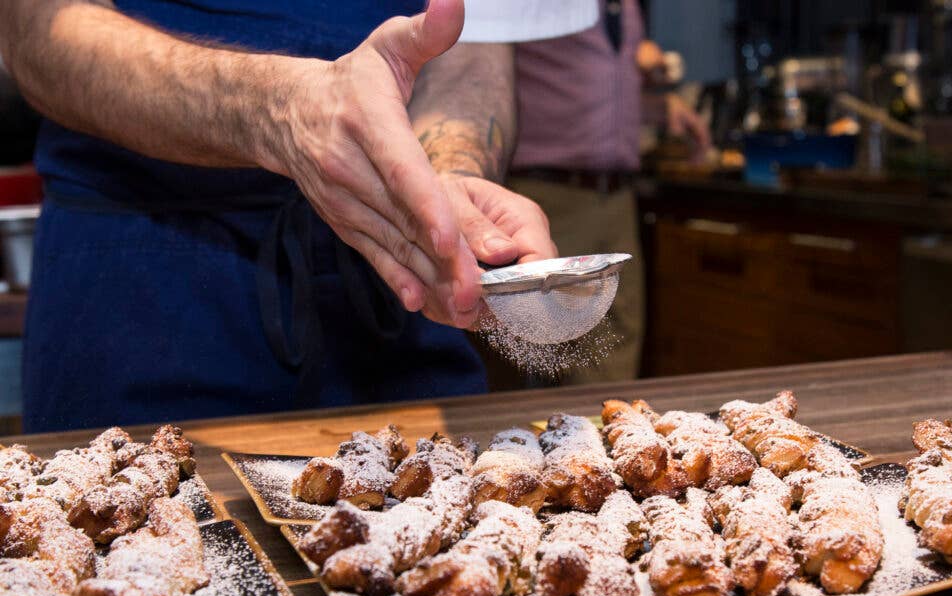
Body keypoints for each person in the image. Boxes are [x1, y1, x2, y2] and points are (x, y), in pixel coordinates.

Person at [0, 0, 596, 432]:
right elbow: (38, 36)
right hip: (143, 275)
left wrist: (445, 180)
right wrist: (278, 111)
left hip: (393, 277)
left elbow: (470, 52)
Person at [508, 0, 710, 385]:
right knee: (545, 361)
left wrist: (655, 108)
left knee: (615, 348)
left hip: (616, 197)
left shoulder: (626, 7)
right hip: (546, 196)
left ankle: (609, 442)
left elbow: (587, 86)